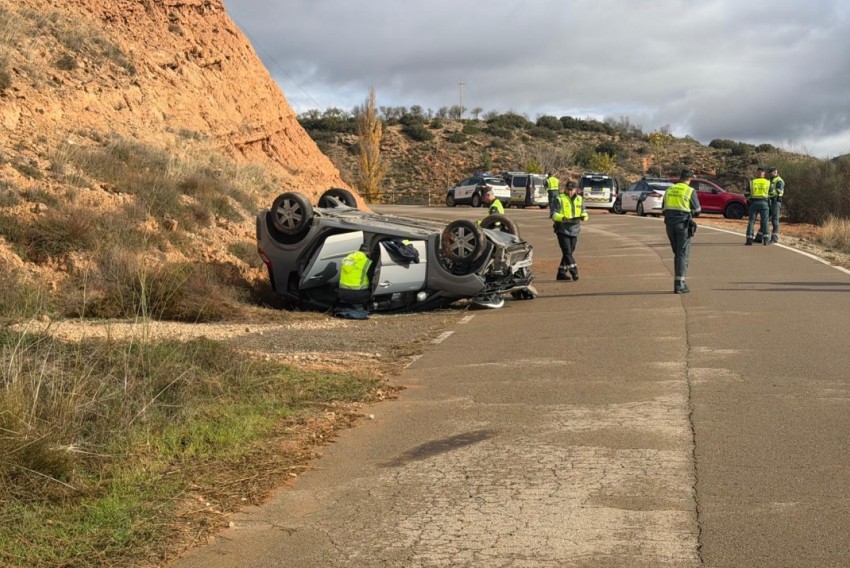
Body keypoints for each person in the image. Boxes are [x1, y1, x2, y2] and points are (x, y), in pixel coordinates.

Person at [662, 169, 701, 294]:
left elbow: (663, 208)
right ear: (689, 179)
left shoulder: (669, 190)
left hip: (669, 225)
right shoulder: (689, 190)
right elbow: (697, 210)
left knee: (677, 254)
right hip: (683, 225)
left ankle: (679, 283)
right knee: (682, 255)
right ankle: (679, 285)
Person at [551, 180, 587, 281]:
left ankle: (561, 273)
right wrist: (562, 218)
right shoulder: (559, 199)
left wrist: (584, 217)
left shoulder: (580, 199)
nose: (570, 192)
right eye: (568, 189)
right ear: (565, 189)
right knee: (567, 252)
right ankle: (574, 270)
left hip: (575, 229)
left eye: (572, 190)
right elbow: (553, 214)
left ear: (576, 190)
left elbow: (584, 211)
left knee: (569, 252)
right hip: (562, 229)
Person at [337, 243, 373, 312]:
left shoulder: (347, 258)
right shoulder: (366, 261)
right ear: (368, 253)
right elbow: (371, 276)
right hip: (359, 295)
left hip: (342, 293)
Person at [745, 167, 771, 245]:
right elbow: (772, 193)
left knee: (751, 221)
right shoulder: (768, 182)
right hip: (764, 203)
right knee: (765, 221)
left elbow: (746, 194)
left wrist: (750, 201)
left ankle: (749, 239)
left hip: (754, 203)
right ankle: (766, 240)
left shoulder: (752, 182)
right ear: (764, 174)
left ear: (757, 173)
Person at [766, 166, 785, 243]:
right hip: (769, 201)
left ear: (775, 172)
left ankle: (774, 237)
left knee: (775, 219)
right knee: (765, 219)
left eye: (771, 173)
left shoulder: (779, 181)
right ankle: (761, 236)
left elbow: (778, 191)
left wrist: (769, 193)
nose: (769, 174)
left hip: (775, 202)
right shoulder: (770, 180)